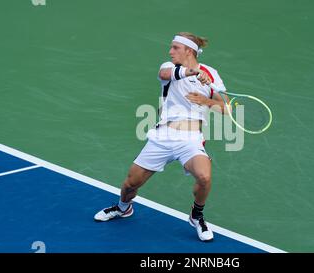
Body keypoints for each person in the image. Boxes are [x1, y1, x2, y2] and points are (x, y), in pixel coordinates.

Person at [94, 32, 229, 242]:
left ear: (189, 50)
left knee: (204, 177)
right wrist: (190, 72)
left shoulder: (211, 74)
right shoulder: (169, 67)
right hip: (163, 136)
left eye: (175, 47)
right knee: (130, 184)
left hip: (191, 138)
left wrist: (206, 100)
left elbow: (225, 108)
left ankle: (197, 216)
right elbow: (166, 74)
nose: (170, 51)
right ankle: (123, 208)